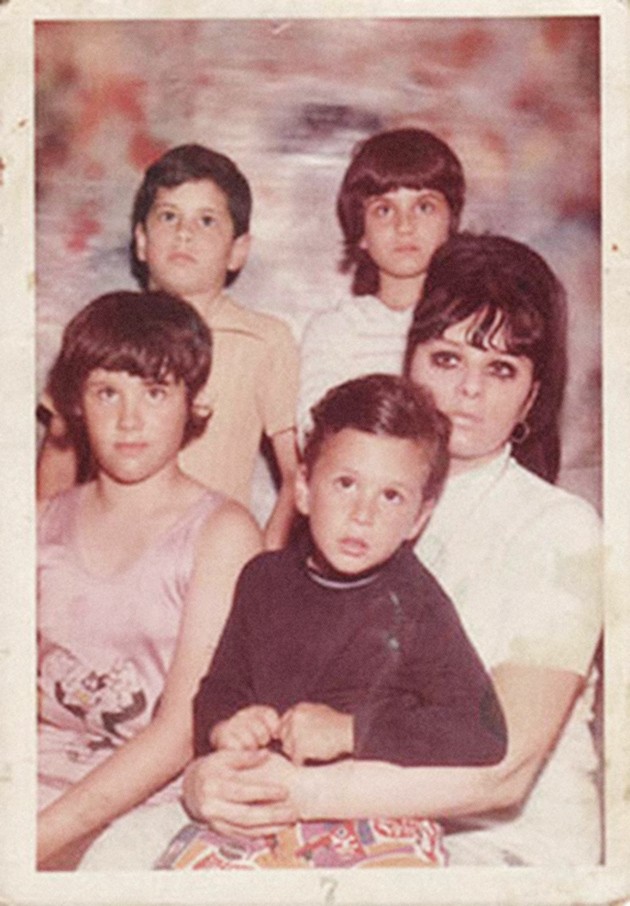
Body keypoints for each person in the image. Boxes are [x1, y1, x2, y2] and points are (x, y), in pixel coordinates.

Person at [182, 234, 602, 868]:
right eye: (446, 358)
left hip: (499, 844)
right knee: (122, 854)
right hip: (322, 817)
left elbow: (504, 771)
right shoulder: (348, 497)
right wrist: (208, 774)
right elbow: (252, 688)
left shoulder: (564, 530)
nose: (468, 389)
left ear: (532, 397)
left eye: (501, 369)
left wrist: (290, 793)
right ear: (409, 361)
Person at [153, 373, 506, 870]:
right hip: (261, 806)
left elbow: (482, 732)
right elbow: (220, 687)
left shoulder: (416, 605)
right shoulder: (262, 579)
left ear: (419, 518)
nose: (363, 514)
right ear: (303, 488)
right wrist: (227, 726)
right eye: (345, 484)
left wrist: (350, 731)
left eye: (391, 496)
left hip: (375, 815)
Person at [37, 291, 262, 869]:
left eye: (155, 392)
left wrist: (34, 838)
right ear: (77, 401)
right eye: (107, 392)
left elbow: (180, 731)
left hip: (146, 807)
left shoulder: (222, 533)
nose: (129, 420)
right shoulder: (40, 522)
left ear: (193, 402)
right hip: (36, 775)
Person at [36, 144, 300, 549]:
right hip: (106, 553)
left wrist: (263, 567)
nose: (184, 233)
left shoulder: (265, 341)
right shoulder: (102, 333)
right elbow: (60, 450)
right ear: (142, 240)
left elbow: (295, 476)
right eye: (168, 216)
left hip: (213, 556)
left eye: (206, 220)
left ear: (237, 250)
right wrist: (46, 555)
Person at [296, 127, 465, 437]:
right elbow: (316, 433)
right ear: (361, 232)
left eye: (424, 207)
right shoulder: (337, 331)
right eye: (384, 210)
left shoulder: (471, 325)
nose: (404, 226)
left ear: (450, 221)